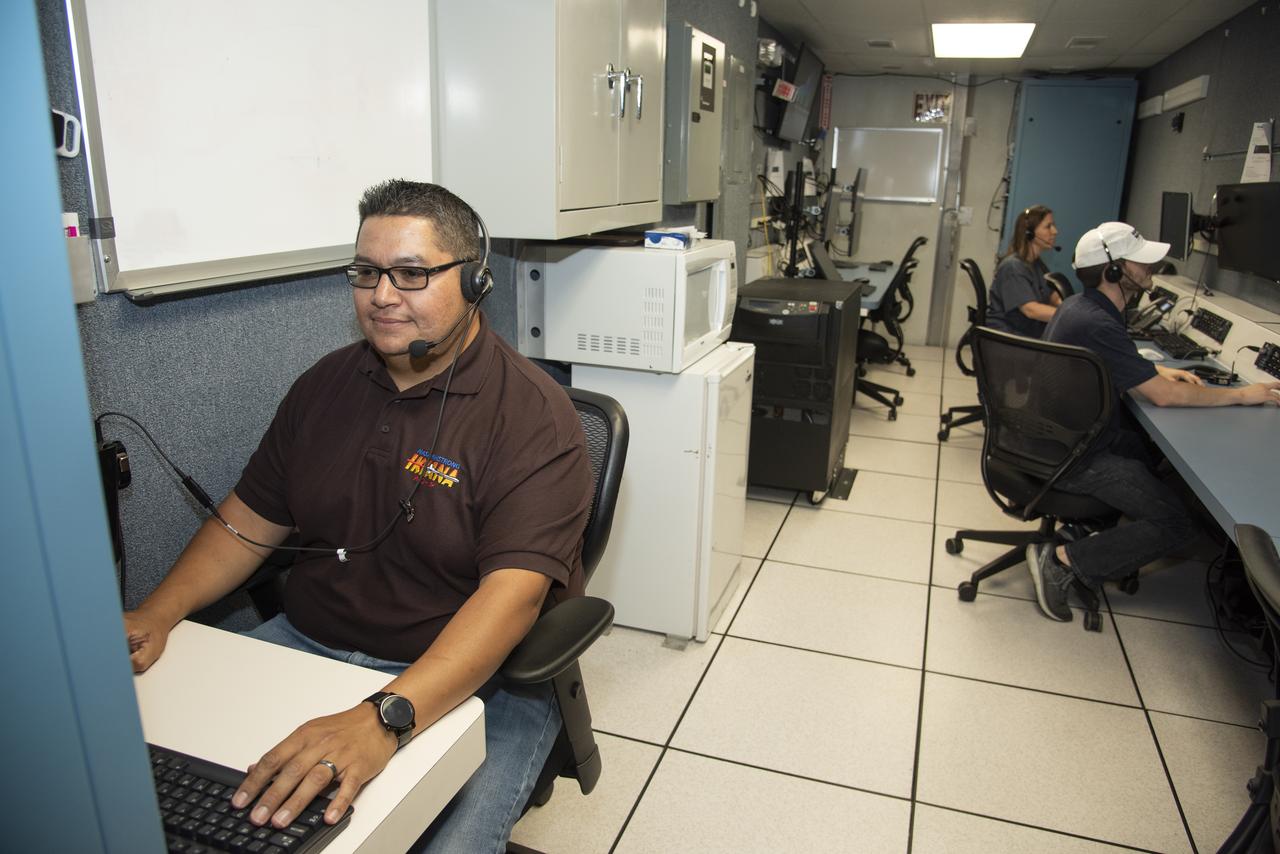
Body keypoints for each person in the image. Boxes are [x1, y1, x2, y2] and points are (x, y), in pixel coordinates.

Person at [123, 179, 592, 852]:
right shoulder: (325, 385)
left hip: (472, 681)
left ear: (476, 281)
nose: (381, 295)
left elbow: (511, 602)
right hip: (309, 645)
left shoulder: (533, 417)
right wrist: (157, 612)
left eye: (411, 273)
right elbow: (248, 521)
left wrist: (383, 719)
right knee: (158, 785)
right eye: (366, 272)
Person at [1026, 221, 1280, 622]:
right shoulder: (1099, 321)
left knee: (1152, 457)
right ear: (1114, 271)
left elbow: (1124, 368)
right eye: (1141, 263)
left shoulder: (1085, 307)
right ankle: (1063, 560)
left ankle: (1086, 531)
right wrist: (1240, 394)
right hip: (1075, 456)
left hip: (1062, 437)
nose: (1151, 269)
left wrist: (1159, 373)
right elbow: (1163, 397)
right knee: (1178, 523)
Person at [986, 204, 1063, 338]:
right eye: (1048, 226)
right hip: (1008, 338)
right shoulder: (1013, 267)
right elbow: (1031, 310)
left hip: (1023, 334)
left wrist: (1069, 309)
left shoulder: (1037, 265)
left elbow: (1053, 297)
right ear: (1030, 233)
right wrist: (1067, 317)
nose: (1055, 231)